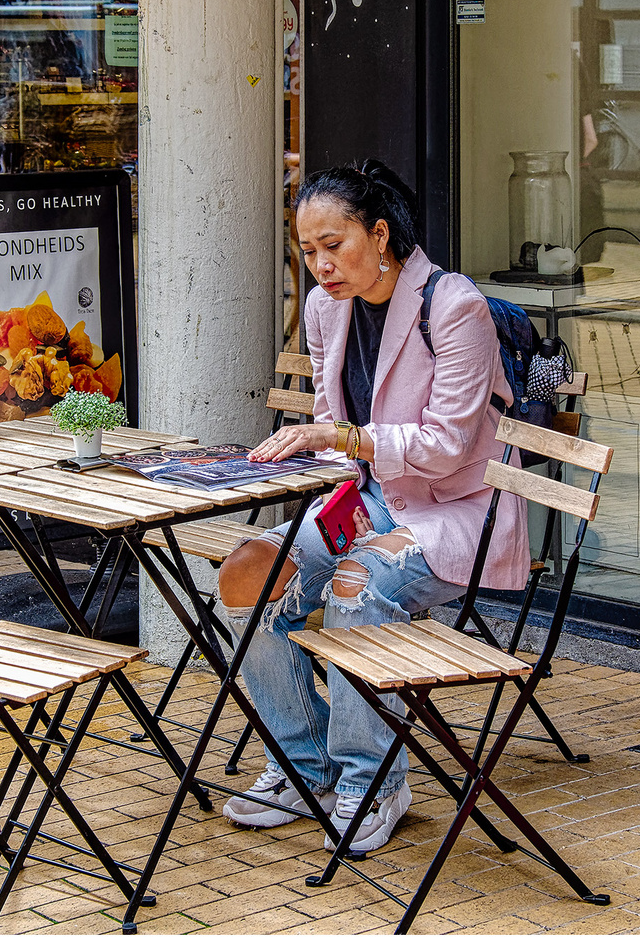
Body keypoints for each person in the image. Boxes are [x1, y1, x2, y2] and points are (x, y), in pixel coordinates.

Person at [216, 160, 530, 853]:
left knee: (358, 583)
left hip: (454, 514)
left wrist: (339, 440)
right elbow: (336, 432)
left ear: (379, 233)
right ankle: (302, 770)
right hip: (363, 503)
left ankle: (374, 781)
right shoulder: (328, 309)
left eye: (335, 245)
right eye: (308, 251)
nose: (321, 265)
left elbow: (447, 448)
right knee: (245, 574)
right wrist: (335, 485)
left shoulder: (452, 306)